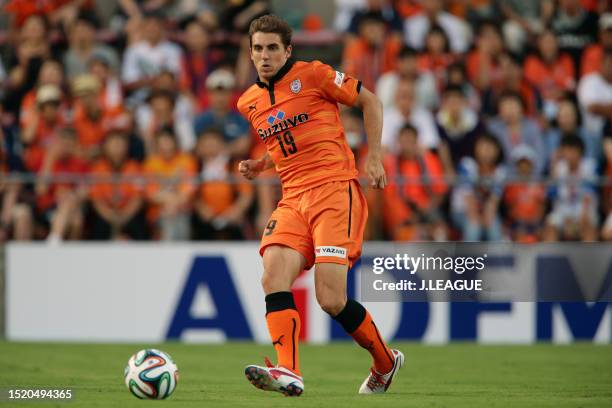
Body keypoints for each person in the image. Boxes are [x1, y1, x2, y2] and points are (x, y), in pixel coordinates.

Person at [236, 15, 403, 397]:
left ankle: (385, 362)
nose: (264, 56)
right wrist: (262, 163)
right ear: (250, 52)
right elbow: (283, 137)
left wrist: (374, 157)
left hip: (333, 191)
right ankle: (288, 370)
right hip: (292, 197)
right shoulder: (249, 101)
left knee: (330, 298)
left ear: (287, 50)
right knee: (272, 275)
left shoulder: (315, 75)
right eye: (258, 48)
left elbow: (371, 101)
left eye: (272, 48)